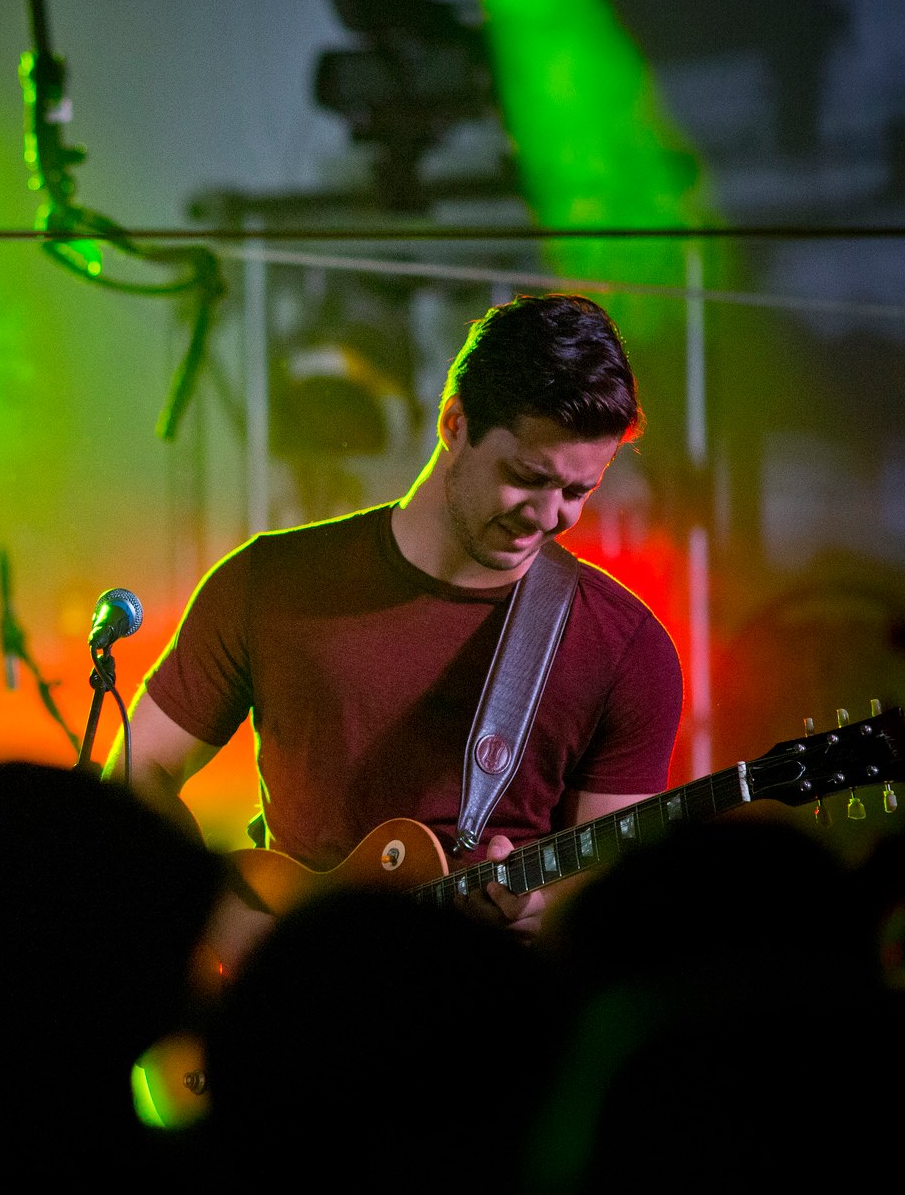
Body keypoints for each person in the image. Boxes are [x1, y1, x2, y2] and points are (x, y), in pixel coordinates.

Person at [112, 293, 683, 946]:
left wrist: (541, 911)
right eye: (527, 477)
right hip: (292, 999)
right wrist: (213, 914)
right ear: (454, 423)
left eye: (578, 491)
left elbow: (615, 898)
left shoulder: (624, 648)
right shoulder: (270, 581)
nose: (549, 514)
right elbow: (135, 778)